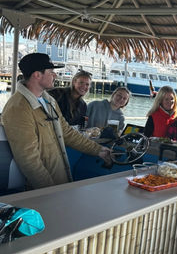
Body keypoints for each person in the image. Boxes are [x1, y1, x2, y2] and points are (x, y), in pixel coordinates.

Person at [1, 53, 111, 190]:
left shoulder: (49, 100)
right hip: (41, 191)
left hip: (59, 182)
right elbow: (28, 159)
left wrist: (98, 150)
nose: (55, 75)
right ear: (37, 75)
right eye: (51, 72)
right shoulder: (18, 108)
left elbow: (66, 132)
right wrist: (51, 191)